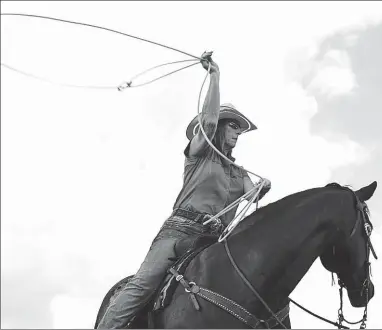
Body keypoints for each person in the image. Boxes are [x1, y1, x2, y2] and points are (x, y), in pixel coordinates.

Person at [97, 53, 271, 329]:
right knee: (143, 285)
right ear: (221, 128)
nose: (238, 132)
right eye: (234, 126)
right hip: (180, 230)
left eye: (240, 129)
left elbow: (253, 195)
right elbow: (209, 121)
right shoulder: (199, 154)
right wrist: (215, 77)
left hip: (216, 241)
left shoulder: (240, 173)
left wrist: (262, 187)